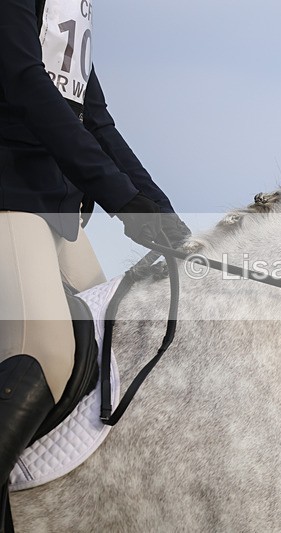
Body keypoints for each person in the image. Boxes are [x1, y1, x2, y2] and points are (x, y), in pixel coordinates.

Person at [0, 0, 191, 501]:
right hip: (8, 198)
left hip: (55, 210)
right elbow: (24, 81)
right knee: (49, 353)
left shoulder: (74, 5)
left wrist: (158, 211)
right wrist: (123, 202)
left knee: (118, 344)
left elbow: (94, 119)